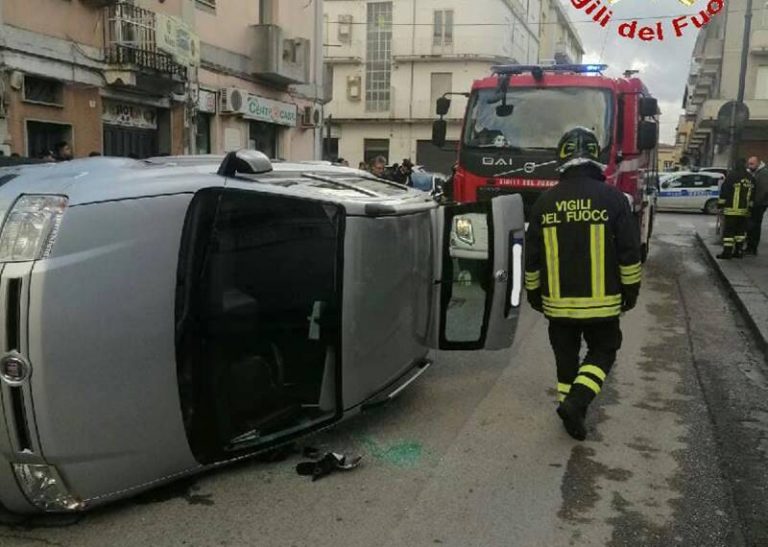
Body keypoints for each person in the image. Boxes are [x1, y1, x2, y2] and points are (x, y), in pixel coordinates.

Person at [525, 127, 641, 441]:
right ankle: (577, 403)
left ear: (561, 158)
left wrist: (535, 296)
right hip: (603, 304)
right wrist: (630, 293)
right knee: (604, 349)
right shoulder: (614, 199)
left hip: (557, 303)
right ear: (596, 158)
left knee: (566, 357)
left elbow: (531, 259)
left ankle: (570, 410)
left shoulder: (544, 203)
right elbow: (630, 254)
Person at [717, 159, 754, 259]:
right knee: (740, 233)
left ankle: (727, 253)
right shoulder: (750, 177)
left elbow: (724, 192)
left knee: (729, 232)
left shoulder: (732, 176)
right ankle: (738, 251)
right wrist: (749, 209)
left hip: (731, 210)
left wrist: (720, 206)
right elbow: (753, 196)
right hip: (744, 211)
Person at [746, 156, 768, 256]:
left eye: (752, 164)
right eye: (749, 164)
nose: (749, 166)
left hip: (758, 205)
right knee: (751, 226)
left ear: (758, 163)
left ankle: (752, 248)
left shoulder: (763, 173)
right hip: (755, 204)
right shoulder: (756, 172)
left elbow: (762, 191)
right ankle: (750, 247)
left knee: (754, 227)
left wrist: (754, 203)